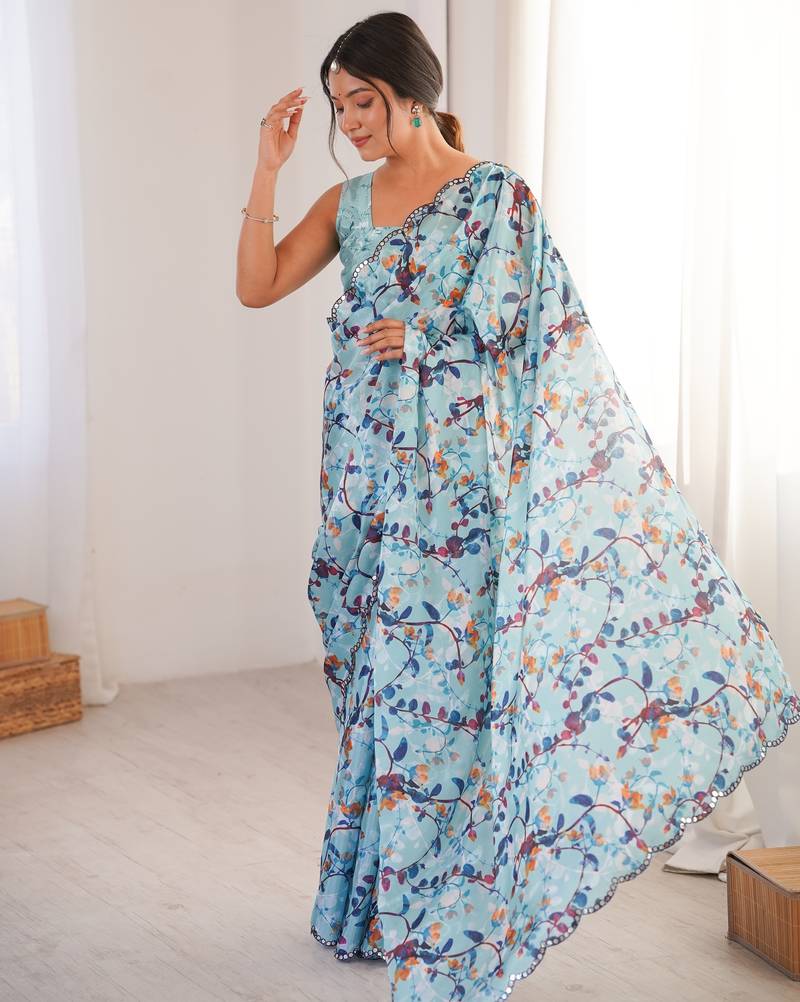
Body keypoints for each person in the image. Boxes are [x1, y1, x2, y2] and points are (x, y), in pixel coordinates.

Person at [236, 12, 800, 1002]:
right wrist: (267, 169)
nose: (348, 122)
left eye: (362, 101)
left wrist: (424, 340)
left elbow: (533, 336)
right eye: (336, 107)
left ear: (412, 92)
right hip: (366, 483)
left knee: (449, 692)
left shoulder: (495, 197)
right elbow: (258, 287)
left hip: (459, 492)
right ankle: (379, 902)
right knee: (382, 690)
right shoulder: (349, 202)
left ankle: (458, 903)